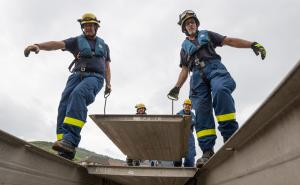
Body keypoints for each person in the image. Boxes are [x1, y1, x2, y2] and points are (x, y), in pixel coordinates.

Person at [167, 10, 266, 168]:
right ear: (184, 29)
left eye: (192, 22)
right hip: (197, 78)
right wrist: (177, 87)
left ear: (196, 24)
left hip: (214, 69)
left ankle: (230, 135)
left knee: (220, 90)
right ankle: (207, 151)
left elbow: (230, 41)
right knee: (201, 111)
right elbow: (185, 70)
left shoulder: (207, 34)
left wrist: (252, 44)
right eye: (187, 24)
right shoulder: (184, 48)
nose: (190, 24)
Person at [24, 13, 112, 160]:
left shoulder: (104, 46)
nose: (88, 28)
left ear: (96, 27)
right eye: (85, 25)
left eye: (91, 25)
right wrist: (37, 45)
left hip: (95, 77)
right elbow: (56, 44)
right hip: (76, 76)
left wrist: (108, 83)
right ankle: (64, 146)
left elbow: (107, 66)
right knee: (64, 104)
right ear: (82, 27)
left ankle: (70, 140)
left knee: (78, 94)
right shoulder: (76, 41)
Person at [173, 99, 196, 167]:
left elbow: (193, 122)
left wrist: (185, 120)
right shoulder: (178, 114)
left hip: (189, 136)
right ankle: (177, 166)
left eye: (189, 105)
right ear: (183, 106)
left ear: (191, 106)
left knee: (190, 156)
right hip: (179, 136)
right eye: (186, 105)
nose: (187, 106)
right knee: (177, 156)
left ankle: (188, 168)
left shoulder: (192, 115)